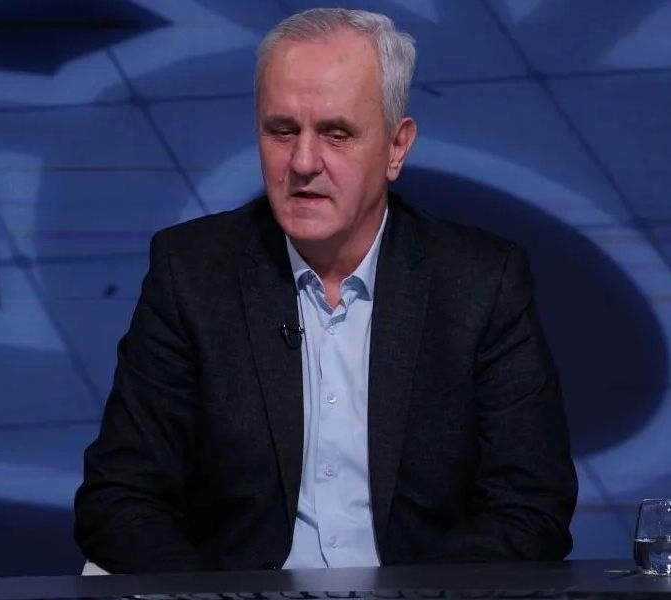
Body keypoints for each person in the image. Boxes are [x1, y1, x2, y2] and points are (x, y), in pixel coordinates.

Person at [74, 8, 577, 573]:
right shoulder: (191, 273)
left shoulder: (480, 283)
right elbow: (118, 499)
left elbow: (531, 506)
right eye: (282, 131)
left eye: (337, 134)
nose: (304, 162)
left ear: (396, 147)